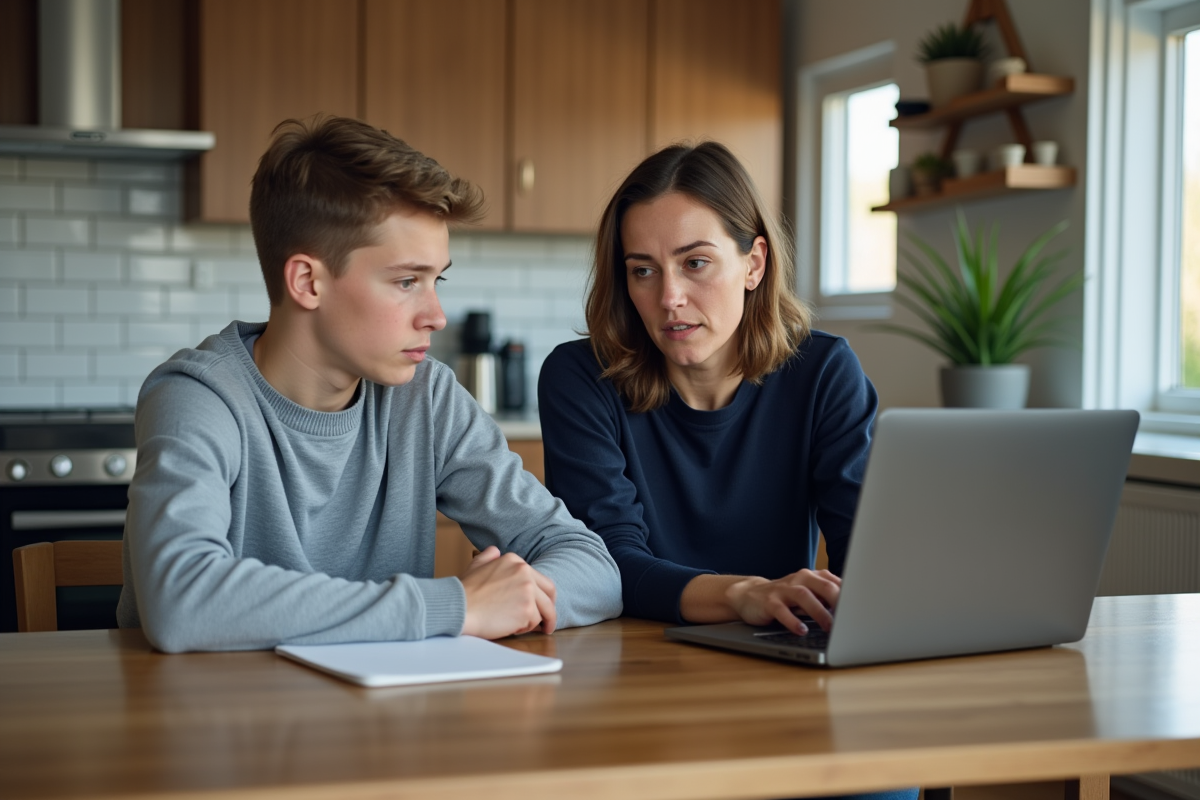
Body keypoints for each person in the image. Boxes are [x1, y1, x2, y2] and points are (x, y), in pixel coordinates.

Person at [117, 115, 622, 653]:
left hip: (383, 724)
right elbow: (181, 602)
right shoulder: (199, 397)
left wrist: (517, 599)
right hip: (211, 722)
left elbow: (591, 565)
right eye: (407, 281)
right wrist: (456, 607)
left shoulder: (425, 396)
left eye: (437, 280)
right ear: (308, 282)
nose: (436, 315)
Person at [538, 141, 876, 638]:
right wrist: (743, 594)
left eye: (695, 263)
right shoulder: (582, 379)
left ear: (754, 264)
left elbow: (865, 556)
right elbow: (606, 567)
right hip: (631, 656)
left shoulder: (824, 371)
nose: (669, 298)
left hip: (781, 652)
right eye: (643, 271)